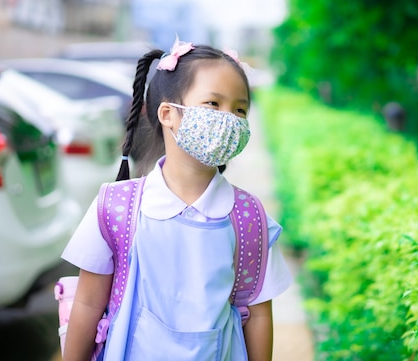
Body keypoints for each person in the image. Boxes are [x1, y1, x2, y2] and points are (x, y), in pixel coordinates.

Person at [60, 37, 293, 361]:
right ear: (169, 113)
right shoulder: (116, 208)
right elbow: (88, 302)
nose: (230, 119)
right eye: (213, 104)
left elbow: (258, 313)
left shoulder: (248, 218)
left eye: (240, 109)